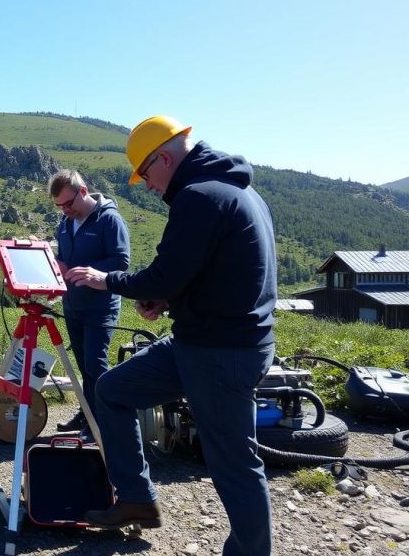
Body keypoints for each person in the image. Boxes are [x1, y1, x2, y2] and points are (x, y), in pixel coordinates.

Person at [65, 116, 277, 556]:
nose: (145, 185)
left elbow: (166, 272)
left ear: (164, 157)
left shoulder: (200, 196)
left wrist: (110, 281)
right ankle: (138, 500)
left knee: (234, 464)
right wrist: (168, 300)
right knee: (112, 390)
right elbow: (213, 272)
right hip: (197, 342)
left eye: (145, 174)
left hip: (222, 352)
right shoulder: (234, 192)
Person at [47, 169, 130, 442]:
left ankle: (100, 425)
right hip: (73, 305)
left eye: (68, 204)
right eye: (59, 206)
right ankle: (86, 414)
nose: (65, 210)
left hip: (101, 306)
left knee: (96, 365)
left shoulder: (109, 220)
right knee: (83, 366)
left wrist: (90, 271)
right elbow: (65, 259)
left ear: (83, 191)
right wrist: (58, 266)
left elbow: (121, 262)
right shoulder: (65, 222)